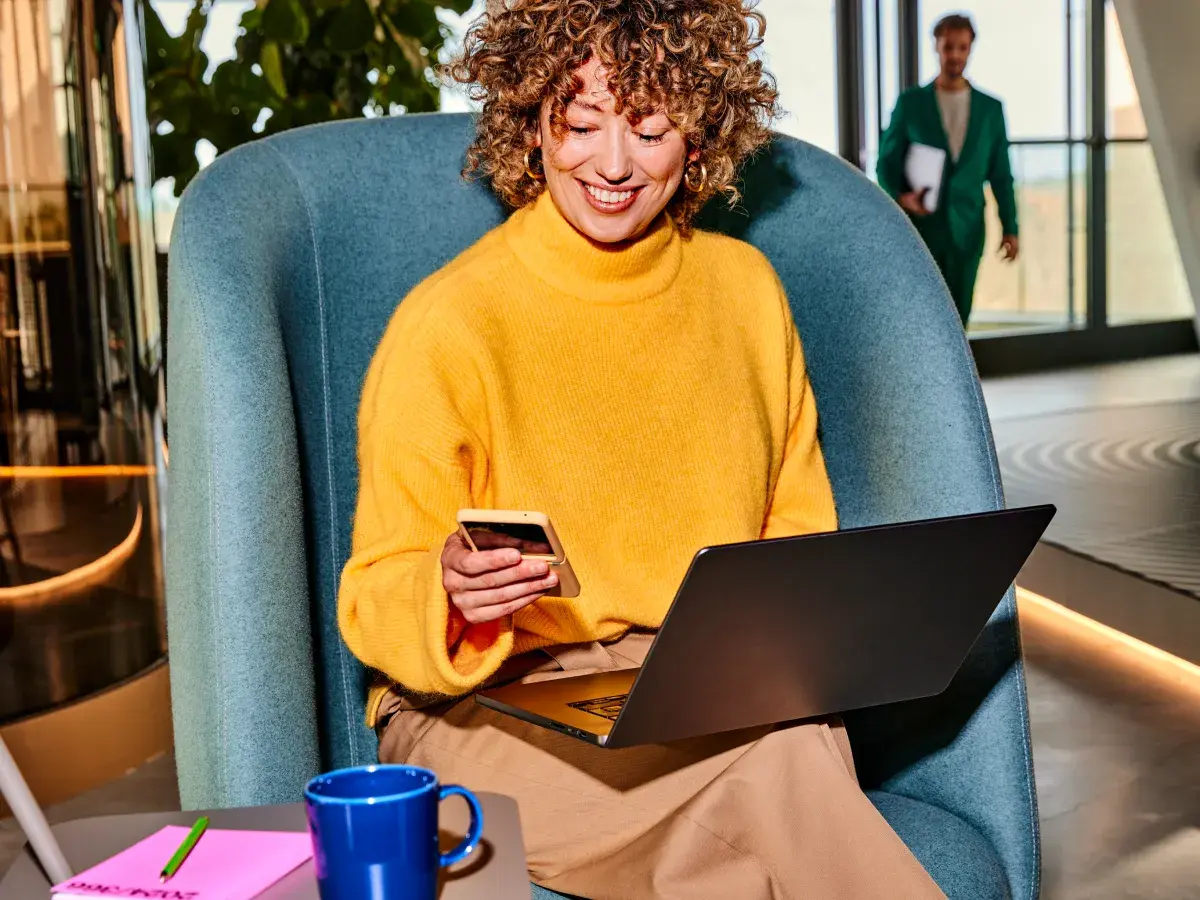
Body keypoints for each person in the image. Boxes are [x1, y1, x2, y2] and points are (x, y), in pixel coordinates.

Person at [338, 1, 945, 897]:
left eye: (651, 128)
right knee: (779, 772)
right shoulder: (449, 324)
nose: (613, 165)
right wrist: (450, 592)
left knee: (787, 744)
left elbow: (798, 535)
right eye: (580, 122)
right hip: (486, 709)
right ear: (531, 123)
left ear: (699, 133)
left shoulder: (746, 293)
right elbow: (375, 589)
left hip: (694, 683)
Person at [877, 12, 1019, 326]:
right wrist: (901, 198)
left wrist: (1010, 227)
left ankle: (954, 377)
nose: (954, 55)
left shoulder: (990, 110)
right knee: (921, 313)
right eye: (948, 47)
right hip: (922, 228)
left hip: (968, 229)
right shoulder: (911, 103)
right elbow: (885, 161)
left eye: (962, 47)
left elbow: (1000, 174)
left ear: (970, 50)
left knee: (960, 313)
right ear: (936, 48)